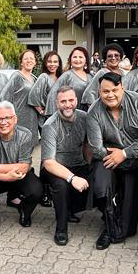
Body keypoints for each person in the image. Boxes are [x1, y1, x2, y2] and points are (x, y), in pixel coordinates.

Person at [86, 72, 138, 249]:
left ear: (123, 88)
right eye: (105, 91)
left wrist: (124, 154)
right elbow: (96, 148)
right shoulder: (94, 112)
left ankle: (124, 220)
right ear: (99, 92)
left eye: (115, 90)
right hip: (107, 160)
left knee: (129, 228)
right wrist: (115, 157)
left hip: (135, 161)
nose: (110, 95)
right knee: (102, 187)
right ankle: (108, 227)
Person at [0, 101, 43, 237]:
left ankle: (25, 211)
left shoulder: (25, 135)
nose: (3, 122)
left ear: (15, 119)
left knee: (37, 190)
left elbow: (24, 166)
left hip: (17, 175)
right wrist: (6, 177)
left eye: (7, 118)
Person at [40, 86, 91, 246]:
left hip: (77, 164)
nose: (67, 105)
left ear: (76, 100)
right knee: (62, 186)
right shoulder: (50, 125)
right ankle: (61, 229)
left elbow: (87, 145)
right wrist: (72, 178)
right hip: (54, 167)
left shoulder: (84, 117)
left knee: (99, 176)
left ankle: (72, 210)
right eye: (63, 101)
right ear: (57, 103)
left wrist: (89, 165)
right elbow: (48, 162)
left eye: (71, 100)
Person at [0, 49, 41, 136]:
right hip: (19, 121)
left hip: (32, 121)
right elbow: (3, 97)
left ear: (35, 62)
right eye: (26, 59)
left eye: (31, 59)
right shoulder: (17, 76)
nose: (29, 61)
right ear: (21, 62)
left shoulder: (35, 79)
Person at [49, 46, 92, 112]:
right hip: (70, 115)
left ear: (86, 60)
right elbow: (53, 94)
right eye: (75, 57)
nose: (77, 60)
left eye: (80, 57)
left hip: (88, 115)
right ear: (70, 60)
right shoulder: (67, 75)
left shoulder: (91, 76)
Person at [81, 43, 125, 108]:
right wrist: (96, 111)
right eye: (110, 56)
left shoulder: (123, 73)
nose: (113, 58)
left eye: (116, 55)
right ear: (105, 59)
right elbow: (89, 94)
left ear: (121, 57)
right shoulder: (102, 73)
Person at [28, 50, 62, 118]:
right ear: (45, 63)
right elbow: (32, 96)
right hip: (48, 118)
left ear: (59, 64)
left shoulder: (61, 78)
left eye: (55, 62)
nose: (52, 64)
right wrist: (41, 111)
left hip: (60, 116)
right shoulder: (44, 77)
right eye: (49, 62)